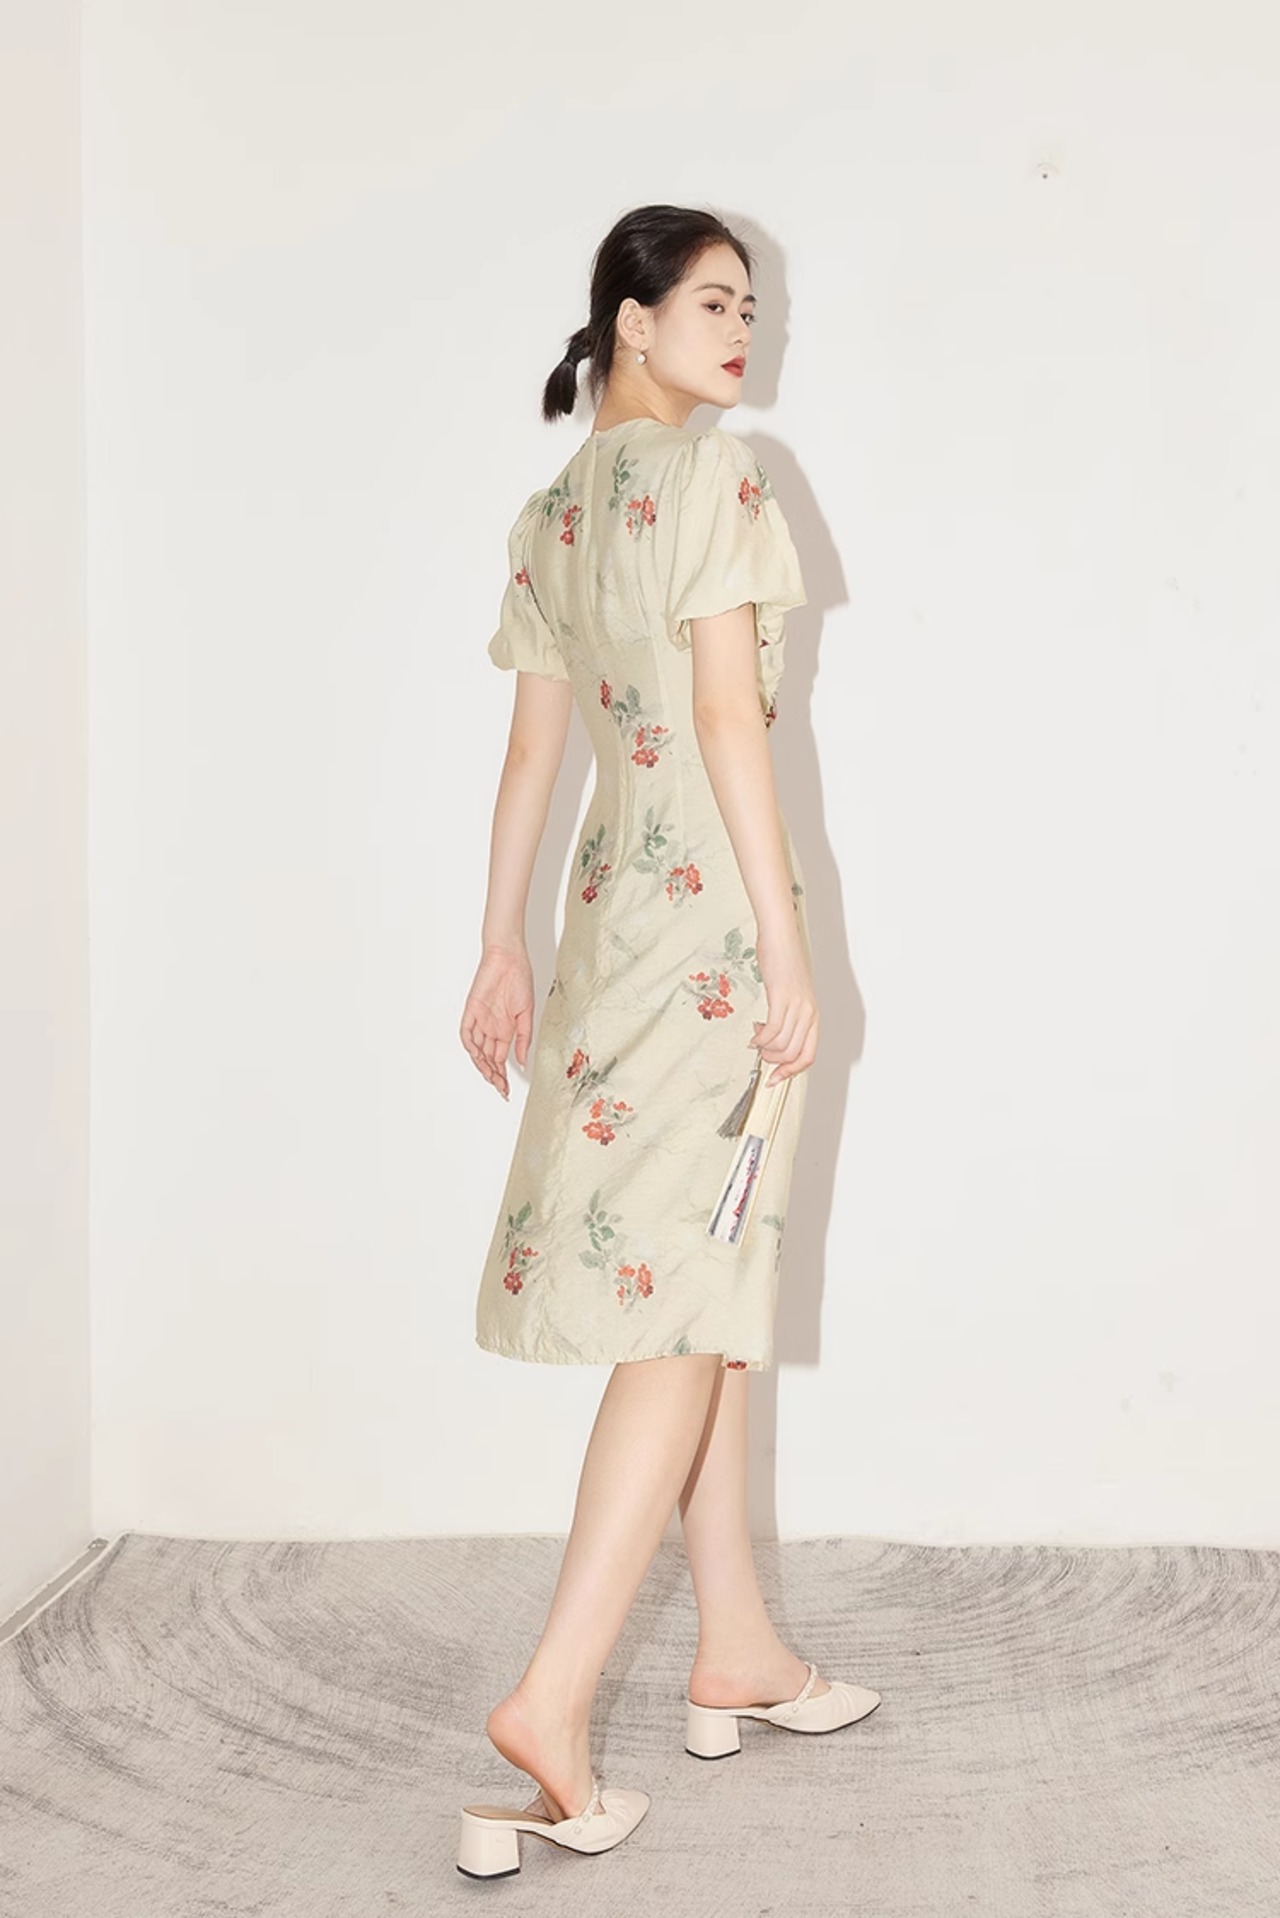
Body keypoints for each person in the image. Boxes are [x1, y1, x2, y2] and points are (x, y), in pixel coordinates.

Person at [455, 205, 879, 1880]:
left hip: (605, 921)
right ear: (630, 322)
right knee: (696, 1299)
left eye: (750, 305)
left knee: (708, 1282)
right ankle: (555, 1696)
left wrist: (501, 941)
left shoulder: (552, 514)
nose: (742, 328)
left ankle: (737, 1646)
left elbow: (530, 758)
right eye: (712, 300)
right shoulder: (717, 479)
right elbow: (722, 716)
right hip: (707, 926)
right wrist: (786, 940)